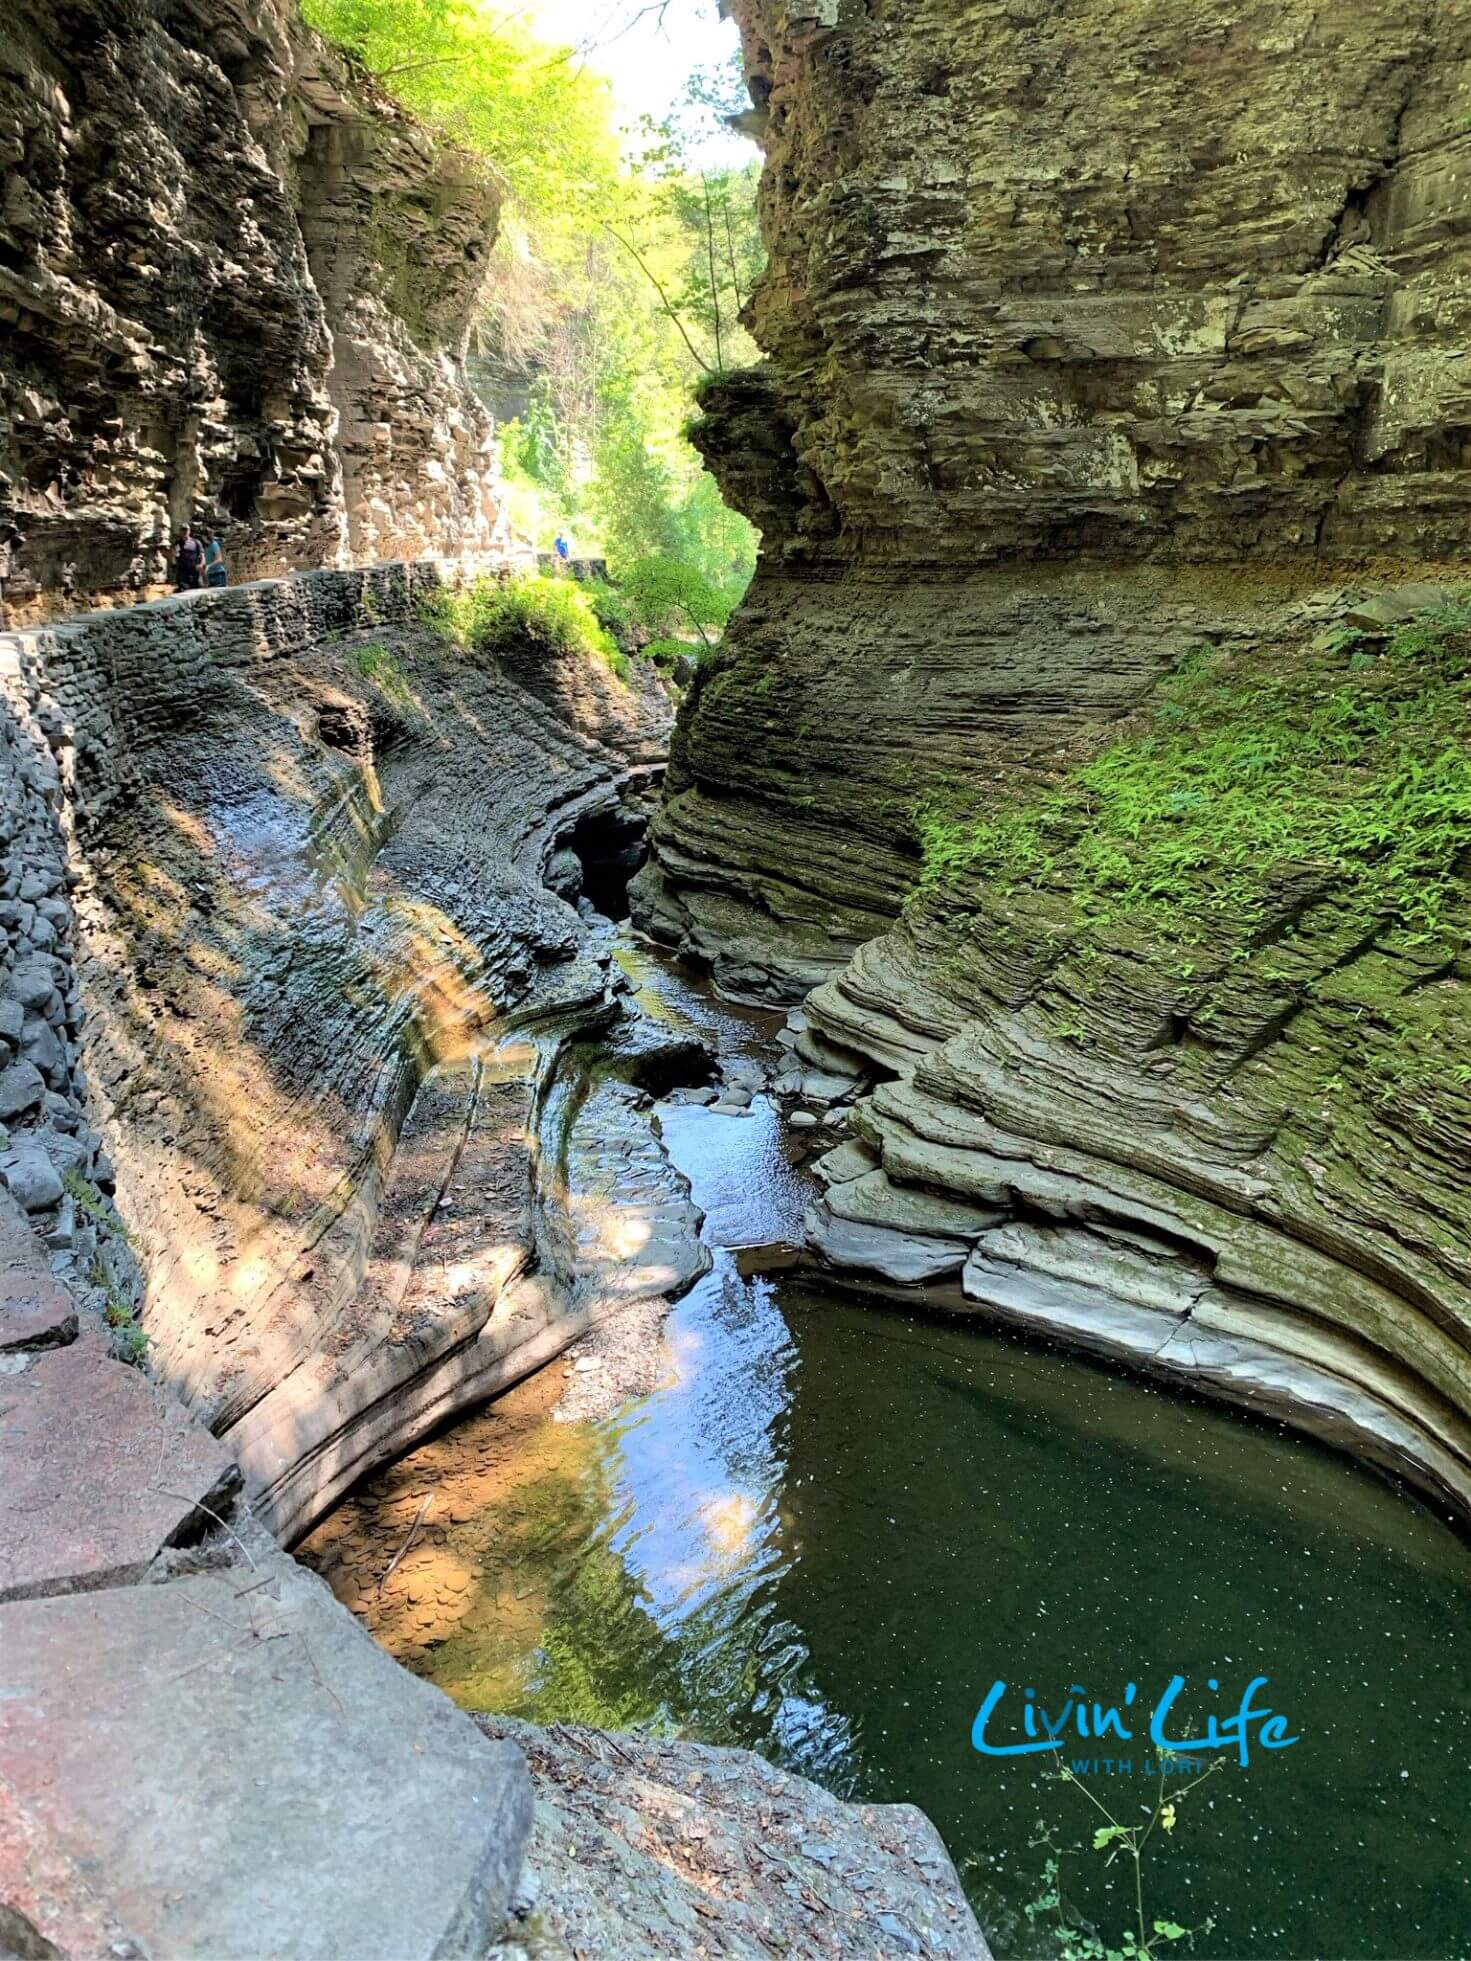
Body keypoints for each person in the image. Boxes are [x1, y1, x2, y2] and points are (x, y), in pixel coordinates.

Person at [175, 526, 203, 592]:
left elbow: (202, 556)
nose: (184, 532)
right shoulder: (177, 543)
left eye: (186, 530)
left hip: (194, 572)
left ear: (189, 531)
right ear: (180, 531)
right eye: (183, 530)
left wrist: (201, 564)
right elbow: (174, 555)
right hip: (183, 573)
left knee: (196, 592)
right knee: (183, 592)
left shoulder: (196, 542)